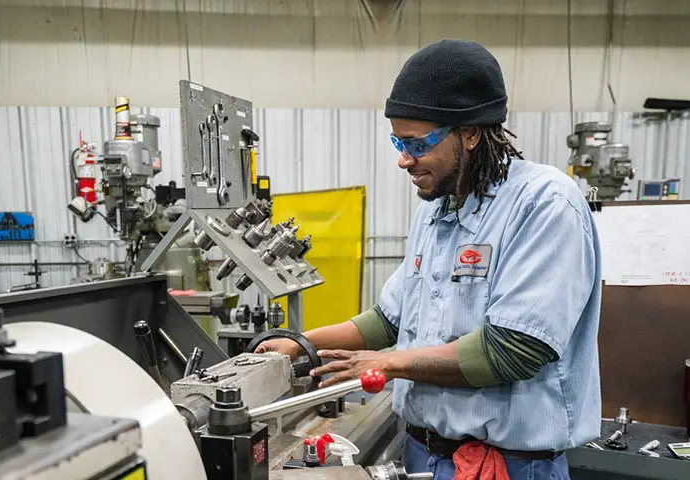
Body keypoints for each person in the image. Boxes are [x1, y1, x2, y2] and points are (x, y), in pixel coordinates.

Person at [256, 39, 602, 479]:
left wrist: (388, 363)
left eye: (417, 143)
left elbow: (513, 351)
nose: (403, 159)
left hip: (508, 464)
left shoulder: (544, 204)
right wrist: (302, 344)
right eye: (398, 142)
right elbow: (388, 320)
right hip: (425, 454)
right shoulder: (437, 208)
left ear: (472, 133)